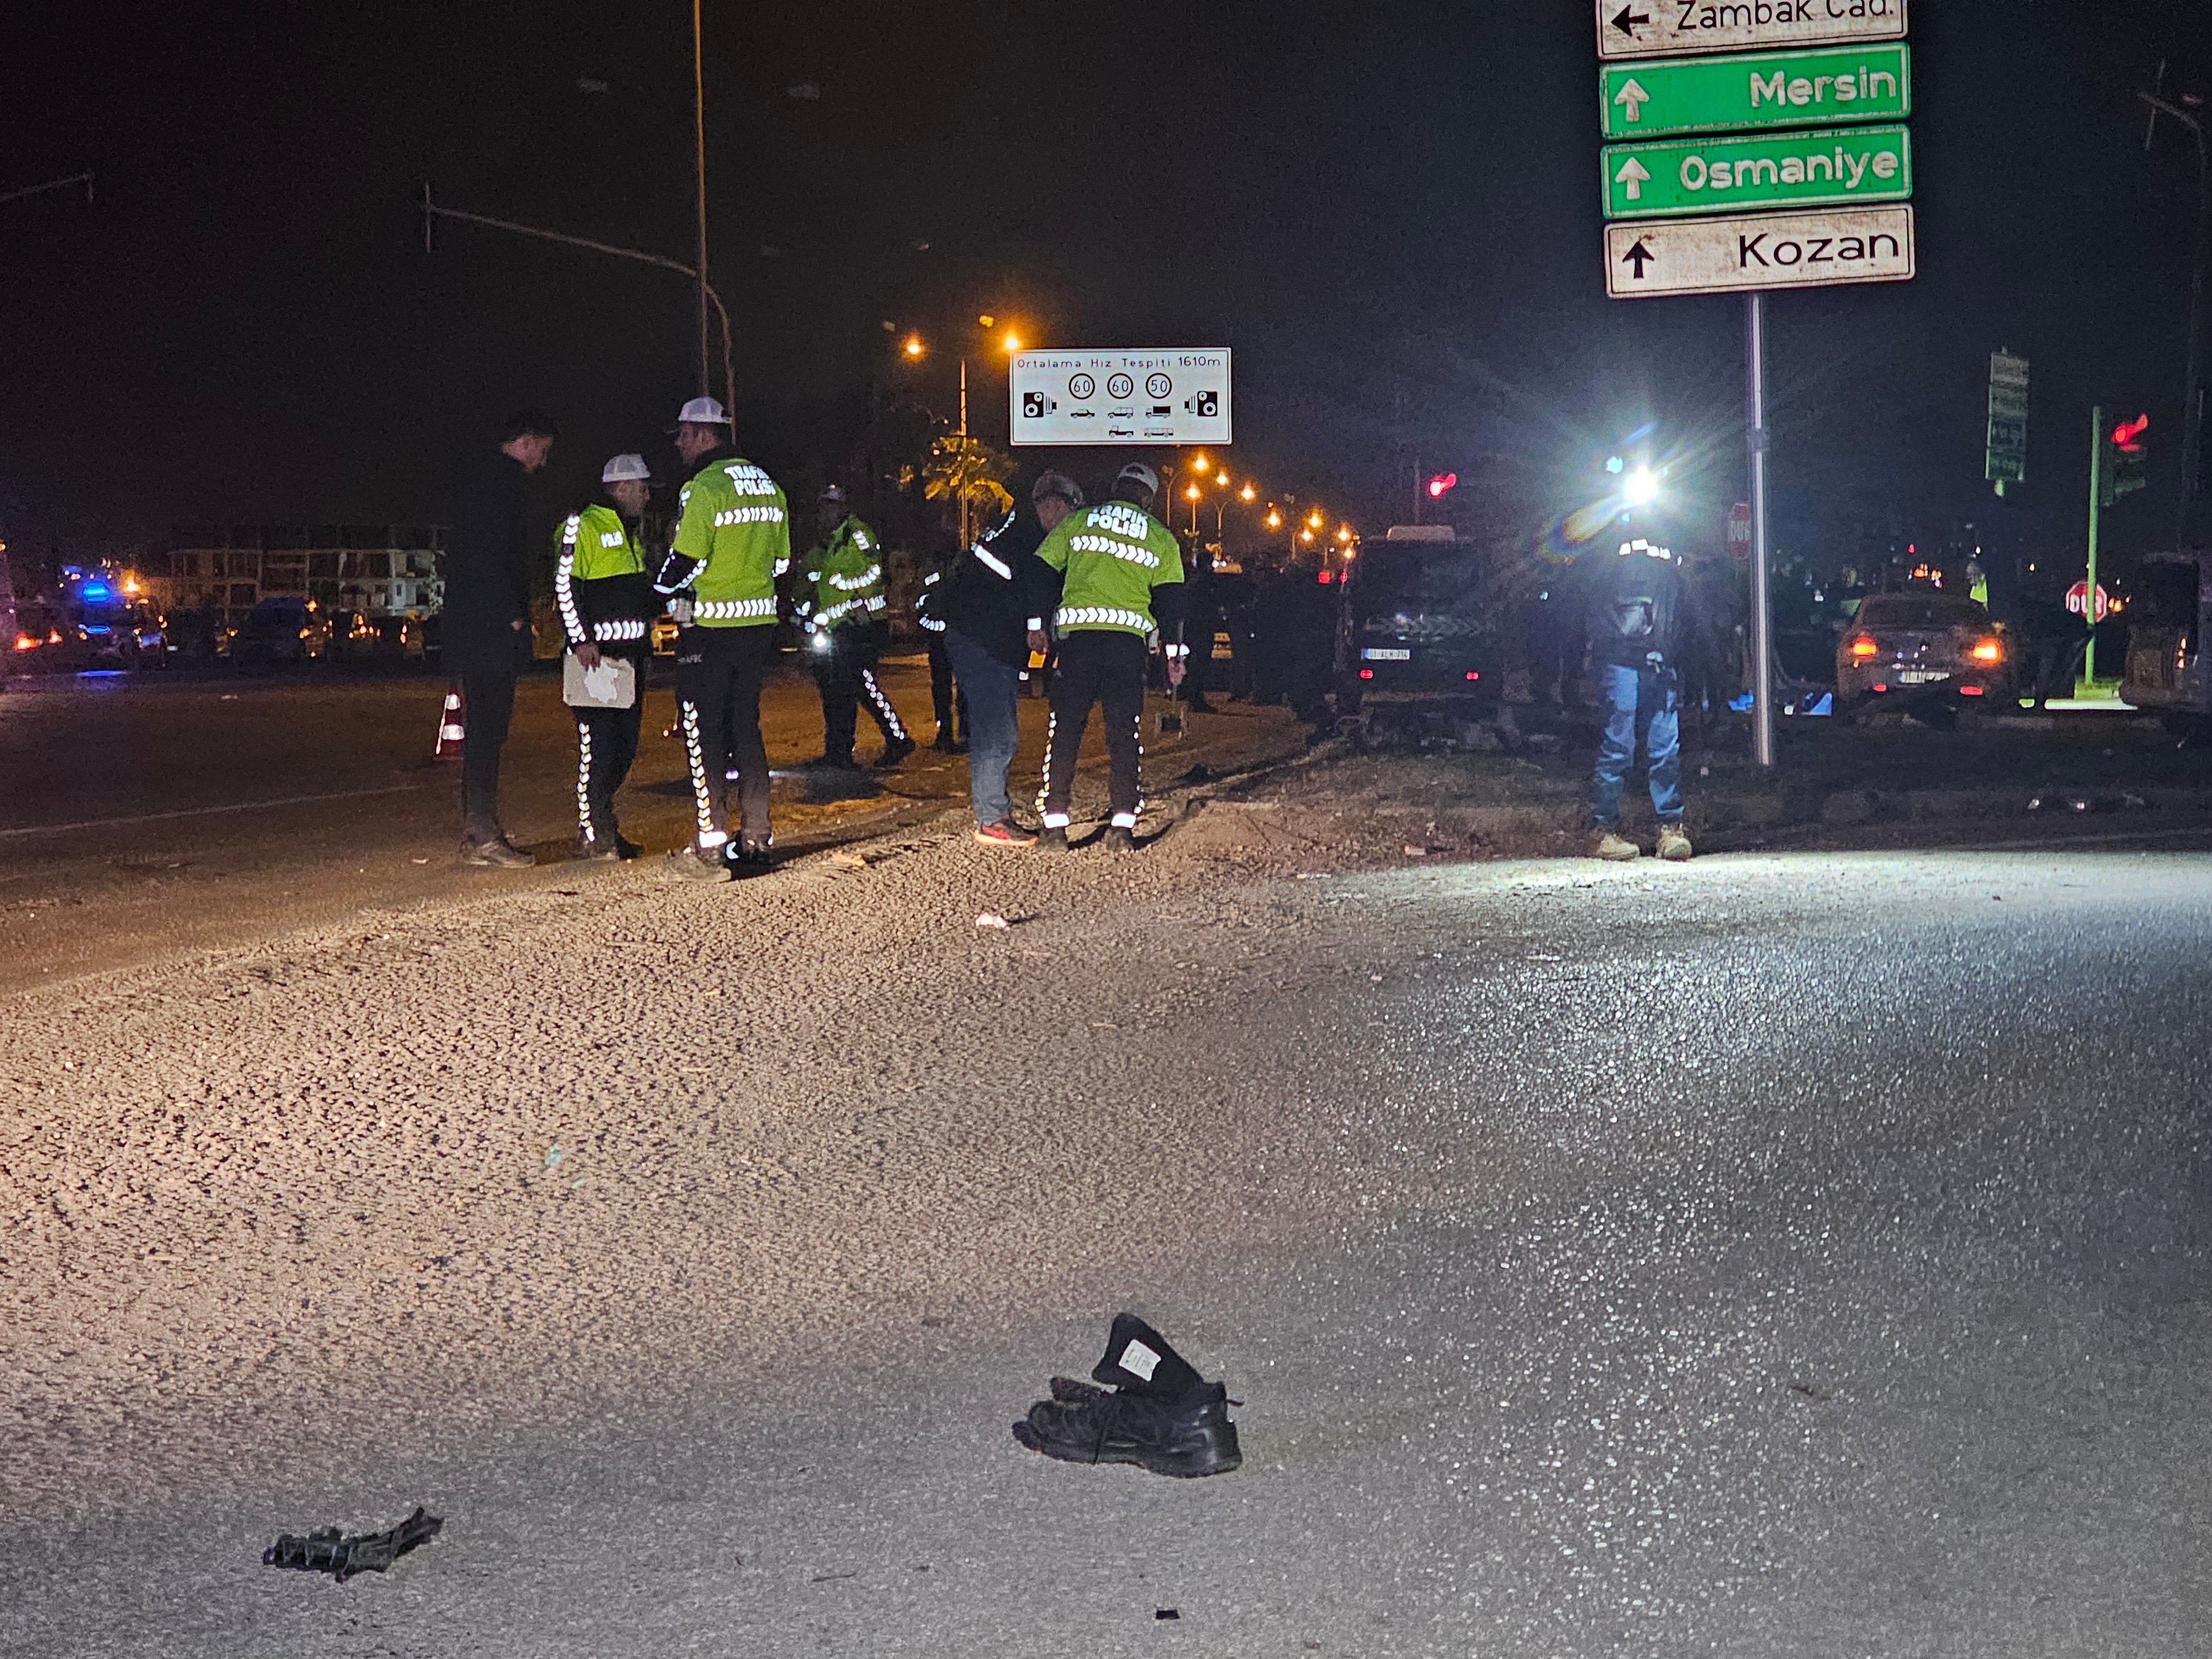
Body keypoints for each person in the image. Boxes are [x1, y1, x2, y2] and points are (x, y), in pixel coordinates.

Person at [653, 396, 791, 881]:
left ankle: (710, 845)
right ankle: (756, 838)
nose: (680, 445)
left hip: (710, 629)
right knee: (747, 730)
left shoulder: (704, 487)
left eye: (684, 436)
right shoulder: (769, 486)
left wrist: (660, 590)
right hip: (757, 627)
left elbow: (685, 558)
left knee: (704, 732)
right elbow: (781, 564)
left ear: (701, 434)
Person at [1030, 461, 1187, 852]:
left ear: (1117, 487)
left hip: (1078, 645)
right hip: (1127, 650)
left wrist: (1035, 624)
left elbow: (1040, 572)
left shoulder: (1080, 522)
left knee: (1066, 729)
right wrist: (1174, 656)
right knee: (1123, 733)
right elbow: (1171, 604)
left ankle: (1054, 827)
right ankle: (1121, 827)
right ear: (1148, 498)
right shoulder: (1160, 538)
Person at [923, 470, 1079, 847]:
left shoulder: (1014, 526)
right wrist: (1038, 627)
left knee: (996, 726)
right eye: (1071, 515)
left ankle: (993, 812)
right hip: (982, 638)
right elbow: (1029, 587)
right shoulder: (1028, 538)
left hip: (974, 632)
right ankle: (992, 819)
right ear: (1056, 505)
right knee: (997, 731)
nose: (1069, 527)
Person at [444, 409, 556, 867]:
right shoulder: (504, 487)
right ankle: (484, 833)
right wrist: (513, 615)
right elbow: (495, 557)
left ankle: (480, 830)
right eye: (543, 452)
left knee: (483, 732)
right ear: (526, 442)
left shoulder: (477, 482)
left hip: (472, 627)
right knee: (490, 729)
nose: (543, 463)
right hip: (491, 631)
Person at [555, 453, 655, 859]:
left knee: (625, 748)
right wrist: (581, 640)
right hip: (595, 659)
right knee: (598, 748)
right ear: (621, 487)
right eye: (642, 488)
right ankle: (596, 832)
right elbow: (565, 587)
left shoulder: (633, 532)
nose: (647, 496)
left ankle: (603, 825)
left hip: (629, 659)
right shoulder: (582, 525)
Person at [1586, 530, 1694, 861]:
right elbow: (1595, 606)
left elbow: (1683, 612)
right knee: (1619, 747)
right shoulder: (1612, 552)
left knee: (1664, 749)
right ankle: (1604, 830)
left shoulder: (1665, 554)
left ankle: (1669, 827)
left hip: (1657, 665)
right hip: (1626, 663)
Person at [792, 484, 914, 769]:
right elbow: (810, 591)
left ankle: (896, 738)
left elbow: (873, 572)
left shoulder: (856, 535)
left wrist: (846, 589)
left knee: (862, 687)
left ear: (842, 509)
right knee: (838, 691)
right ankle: (839, 751)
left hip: (861, 627)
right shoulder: (825, 548)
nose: (825, 514)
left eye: (830, 507)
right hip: (836, 629)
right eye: (822, 508)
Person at [917, 549, 968, 752]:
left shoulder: (938, 568)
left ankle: (951, 734)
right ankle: (954, 734)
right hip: (953, 636)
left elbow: (922, 601)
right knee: (953, 687)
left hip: (948, 636)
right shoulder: (962, 566)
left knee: (948, 687)